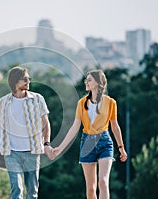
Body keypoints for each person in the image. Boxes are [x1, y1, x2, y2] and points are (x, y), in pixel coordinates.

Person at [52, 70, 127, 199]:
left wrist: (121, 148)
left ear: (98, 83)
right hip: (87, 143)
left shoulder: (110, 103)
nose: (86, 82)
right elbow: (75, 127)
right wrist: (60, 148)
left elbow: (115, 126)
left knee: (103, 182)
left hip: (105, 142)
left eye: (89, 80)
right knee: (91, 189)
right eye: (86, 79)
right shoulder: (81, 103)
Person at [0, 66, 54, 199]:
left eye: (28, 78)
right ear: (14, 81)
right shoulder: (2, 103)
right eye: (24, 79)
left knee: (32, 192)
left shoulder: (38, 99)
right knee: (17, 189)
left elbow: (46, 124)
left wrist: (46, 143)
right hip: (11, 152)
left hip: (32, 151)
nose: (28, 81)